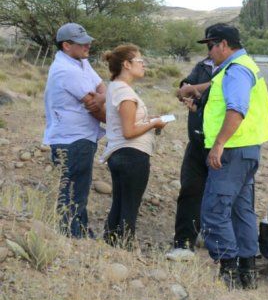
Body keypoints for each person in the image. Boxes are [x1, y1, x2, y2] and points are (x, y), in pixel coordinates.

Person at [197, 23, 268, 289]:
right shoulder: (244, 66)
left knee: (214, 210)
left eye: (210, 46)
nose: (209, 53)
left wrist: (218, 144)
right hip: (247, 150)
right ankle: (247, 274)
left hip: (232, 151)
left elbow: (236, 110)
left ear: (223, 45)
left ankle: (228, 271)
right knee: (242, 212)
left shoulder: (236, 70)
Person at [100, 44, 166, 248]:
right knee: (129, 206)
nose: (143, 64)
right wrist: (154, 123)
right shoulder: (125, 92)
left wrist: (150, 120)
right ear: (126, 64)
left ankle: (110, 245)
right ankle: (125, 249)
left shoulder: (117, 88)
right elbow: (129, 132)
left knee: (120, 203)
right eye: (139, 61)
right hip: (132, 155)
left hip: (120, 154)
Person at [43, 23, 105, 238]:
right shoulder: (65, 70)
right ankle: (72, 237)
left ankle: (78, 232)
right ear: (66, 45)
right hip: (72, 139)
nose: (88, 45)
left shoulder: (80, 62)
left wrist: (100, 98)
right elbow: (94, 105)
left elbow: (100, 87)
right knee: (73, 191)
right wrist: (121, 124)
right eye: (81, 43)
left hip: (81, 136)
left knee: (78, 189)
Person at [165, 51, 216, 261]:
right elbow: (184, 88)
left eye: (213, 43)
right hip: (197, 141)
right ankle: (184, 243)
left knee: (227, 195)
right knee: (190, 190)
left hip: (226, 144)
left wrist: (194, 89)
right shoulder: (203, 65)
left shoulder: (237, 68)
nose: (210, 48)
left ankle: (230, 247)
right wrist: (185, 89)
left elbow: (219, 88)